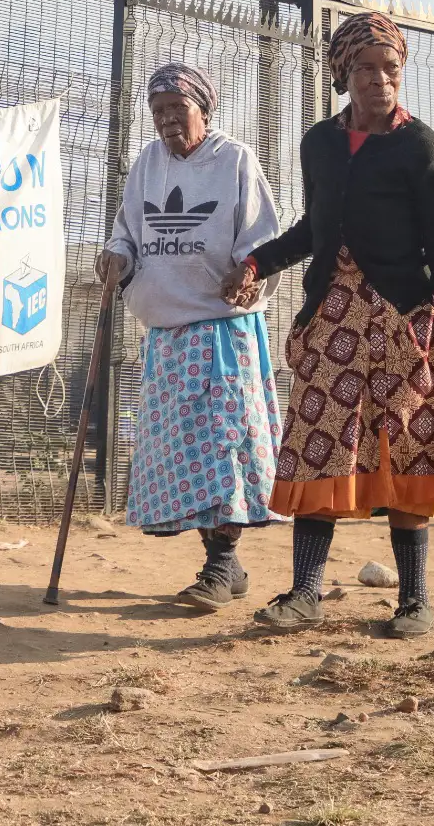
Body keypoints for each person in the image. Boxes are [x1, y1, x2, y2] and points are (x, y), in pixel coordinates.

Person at [221, 11, 434, 639]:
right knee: (317, 452)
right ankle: (304, 594)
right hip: (334, 321)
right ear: (344, 73)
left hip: (403, 325)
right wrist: (258, 262)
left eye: (391, 68)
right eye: (368, 68)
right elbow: (313, 228)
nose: (381, 80)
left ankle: (415, 601)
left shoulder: (419, 146)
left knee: (407, 458)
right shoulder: (319, 144)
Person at [97, 62, 285, 612]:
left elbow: (264, 241)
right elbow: (126, 233)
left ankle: (220, 566)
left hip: (222, 329)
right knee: (185, 456)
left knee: (223, 450)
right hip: (166, 335)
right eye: (157, 112)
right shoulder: (146, 165)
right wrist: (116, 257)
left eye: (177, 108)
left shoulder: (234, 162)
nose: (166, 120)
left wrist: (250, 275)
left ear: (204, 108)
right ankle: (227, 564)